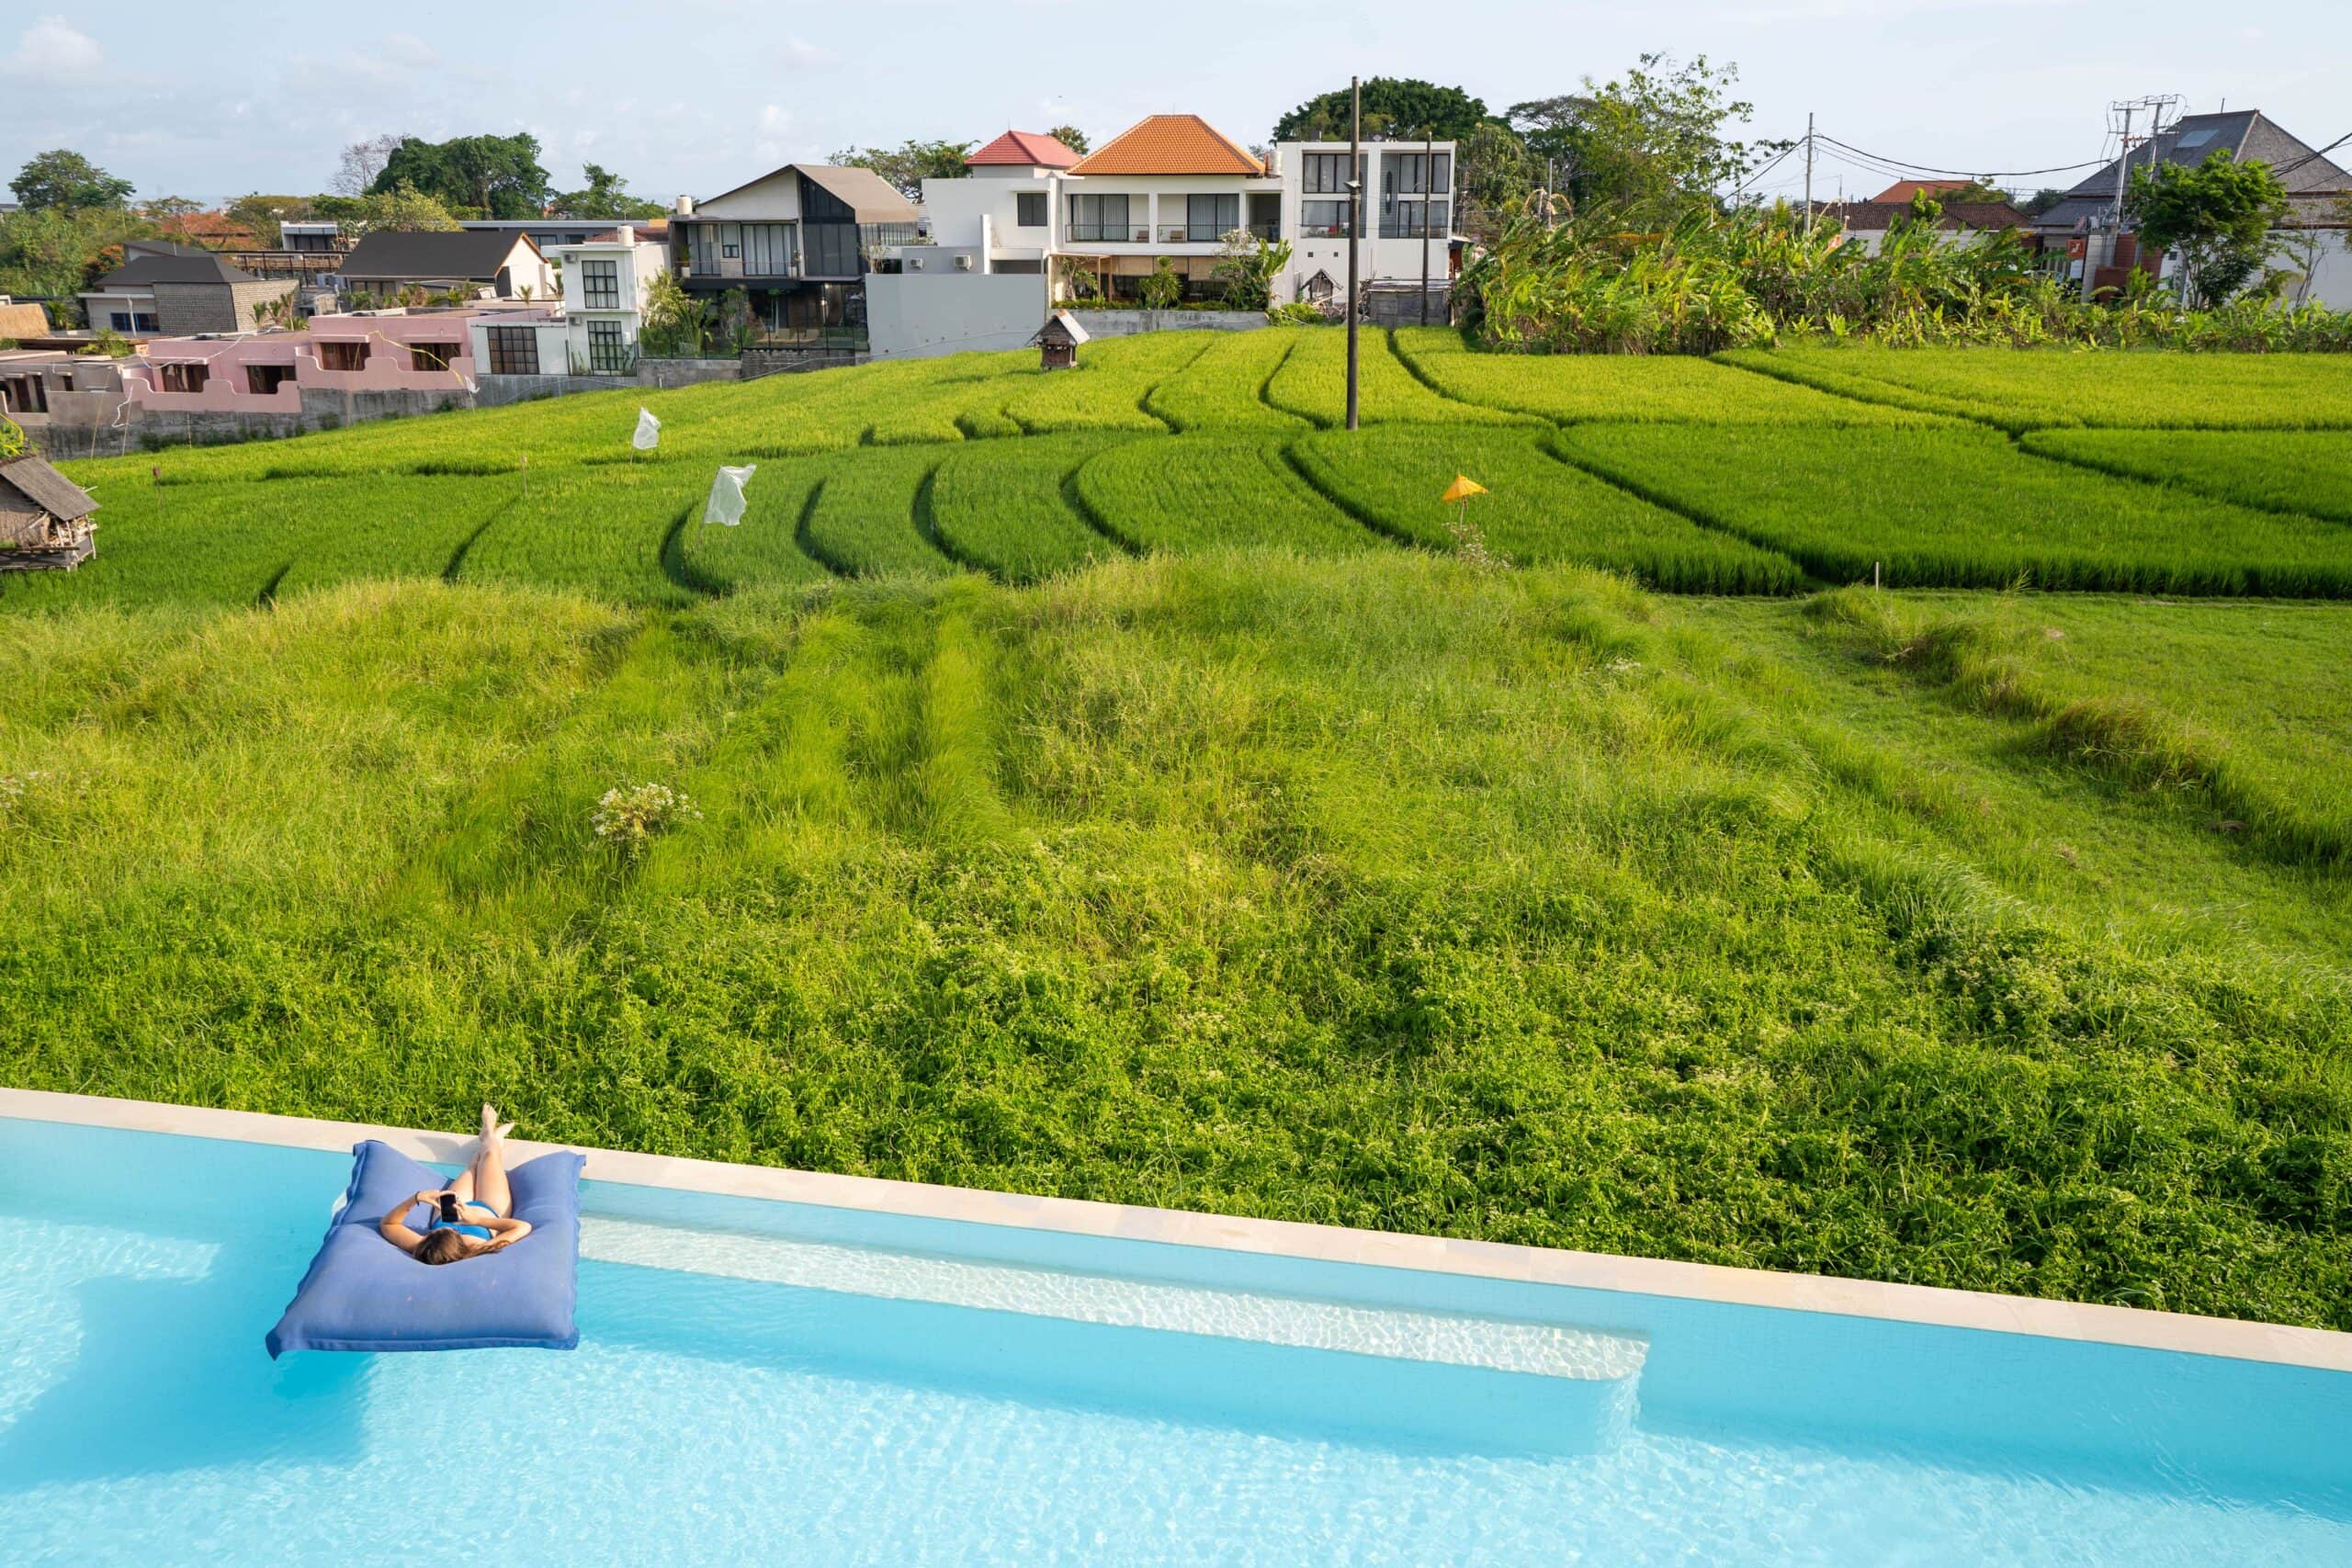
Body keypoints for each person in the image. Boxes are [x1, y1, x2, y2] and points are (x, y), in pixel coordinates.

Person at [378, 1104, 534, 1266]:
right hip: (490, 1209)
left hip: (455, 1207)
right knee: (490, 1155)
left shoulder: (426, 1247)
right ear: (461, 1245)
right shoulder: (479, 1248)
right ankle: (491, 1134)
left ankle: (488, 1138)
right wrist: (477, 1220)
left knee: (473, 1166)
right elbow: (522, 1227)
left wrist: (417, 1198)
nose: (452, 1227)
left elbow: (388, 1224)